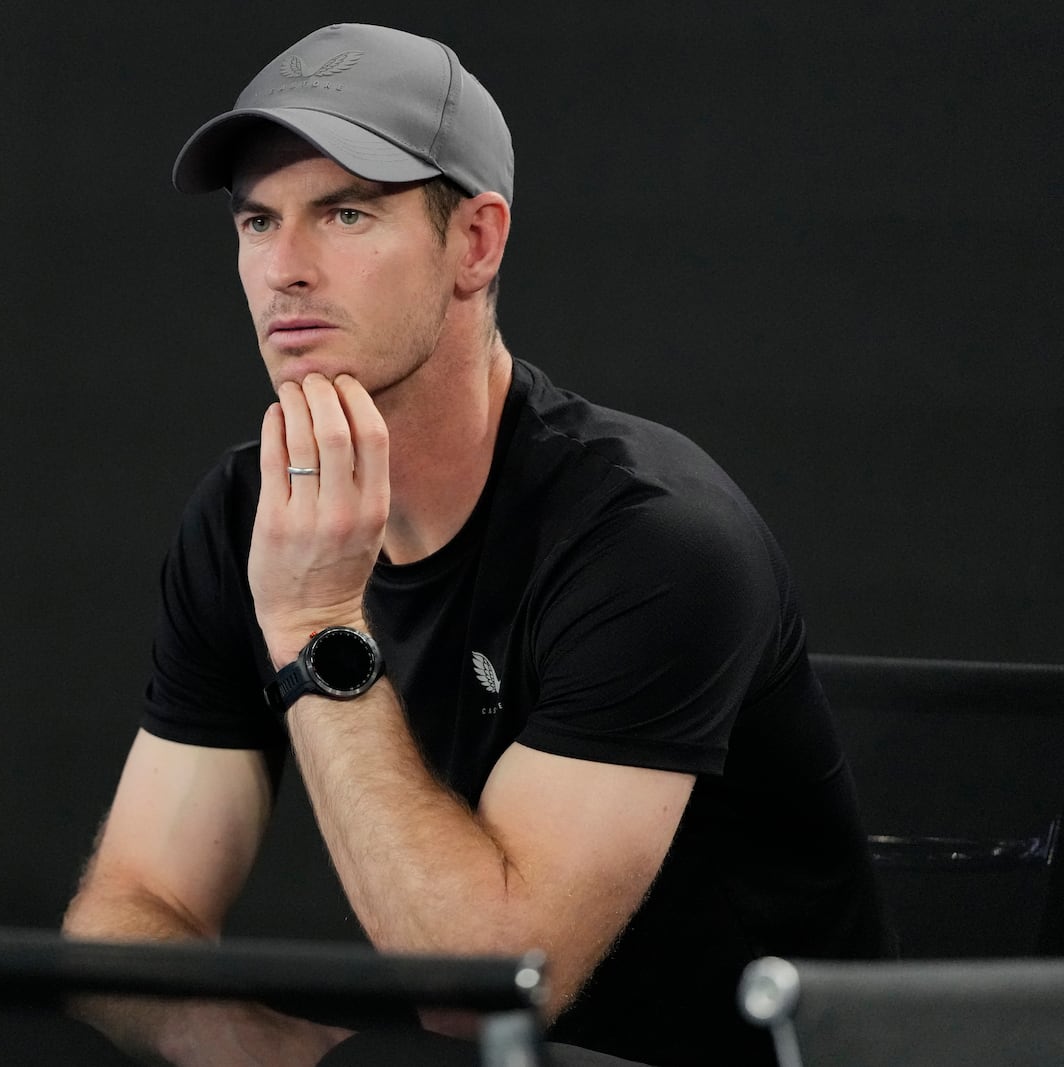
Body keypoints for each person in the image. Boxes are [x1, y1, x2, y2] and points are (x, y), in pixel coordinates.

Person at [63, 22, 889, 1067]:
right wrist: (308, 1064)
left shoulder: (652, 538)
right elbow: (123, 924)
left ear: (477, 243)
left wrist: (316, 622)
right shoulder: (247, 513)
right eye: (257, 221)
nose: (283, 270)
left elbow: (481, 990)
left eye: (345, 213)